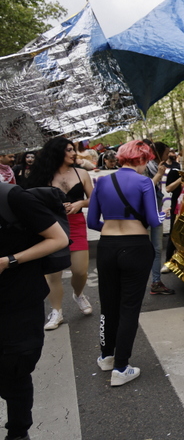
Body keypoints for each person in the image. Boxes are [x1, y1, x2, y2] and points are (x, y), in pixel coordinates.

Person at [87, 140, 165, 386]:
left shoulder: (102, 182)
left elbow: (92, 221)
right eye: (146, 161)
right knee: (129, 307)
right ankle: (121, 367)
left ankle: (106, 356)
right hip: (136, 247)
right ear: (141, 159)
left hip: (107, 246)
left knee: (108, 304)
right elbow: (153, 220)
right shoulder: (144, 182)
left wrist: (110, 228)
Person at [0, 183, 69, 440]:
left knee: (16, 369)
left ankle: (18, 433)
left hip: (18, 302)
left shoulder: (11, 197)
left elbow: (58, 238)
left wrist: (9, 261)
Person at [28, 137, 94, 330]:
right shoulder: (42, 176)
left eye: (73, 149)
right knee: (53, 274)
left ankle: (78, 294)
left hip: (76, 224)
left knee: (80, 271)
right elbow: (31, 201)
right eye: (69, 150)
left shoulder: (81, 173)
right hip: (51, 227)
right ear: (57, 152)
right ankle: (56, 311)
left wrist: (80, 203)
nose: (74, 153)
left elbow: (94, 198)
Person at [143, 140, 174, 295]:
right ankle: (139, 282)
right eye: (166, 153)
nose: (168, 156)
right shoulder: (145, 168)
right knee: (144, 248)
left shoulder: (156, 167)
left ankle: (156, 282)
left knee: (157, 247)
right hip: (147, 212)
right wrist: (159, 174)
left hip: (156, 210)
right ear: (158, 153)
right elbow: (145, 188)